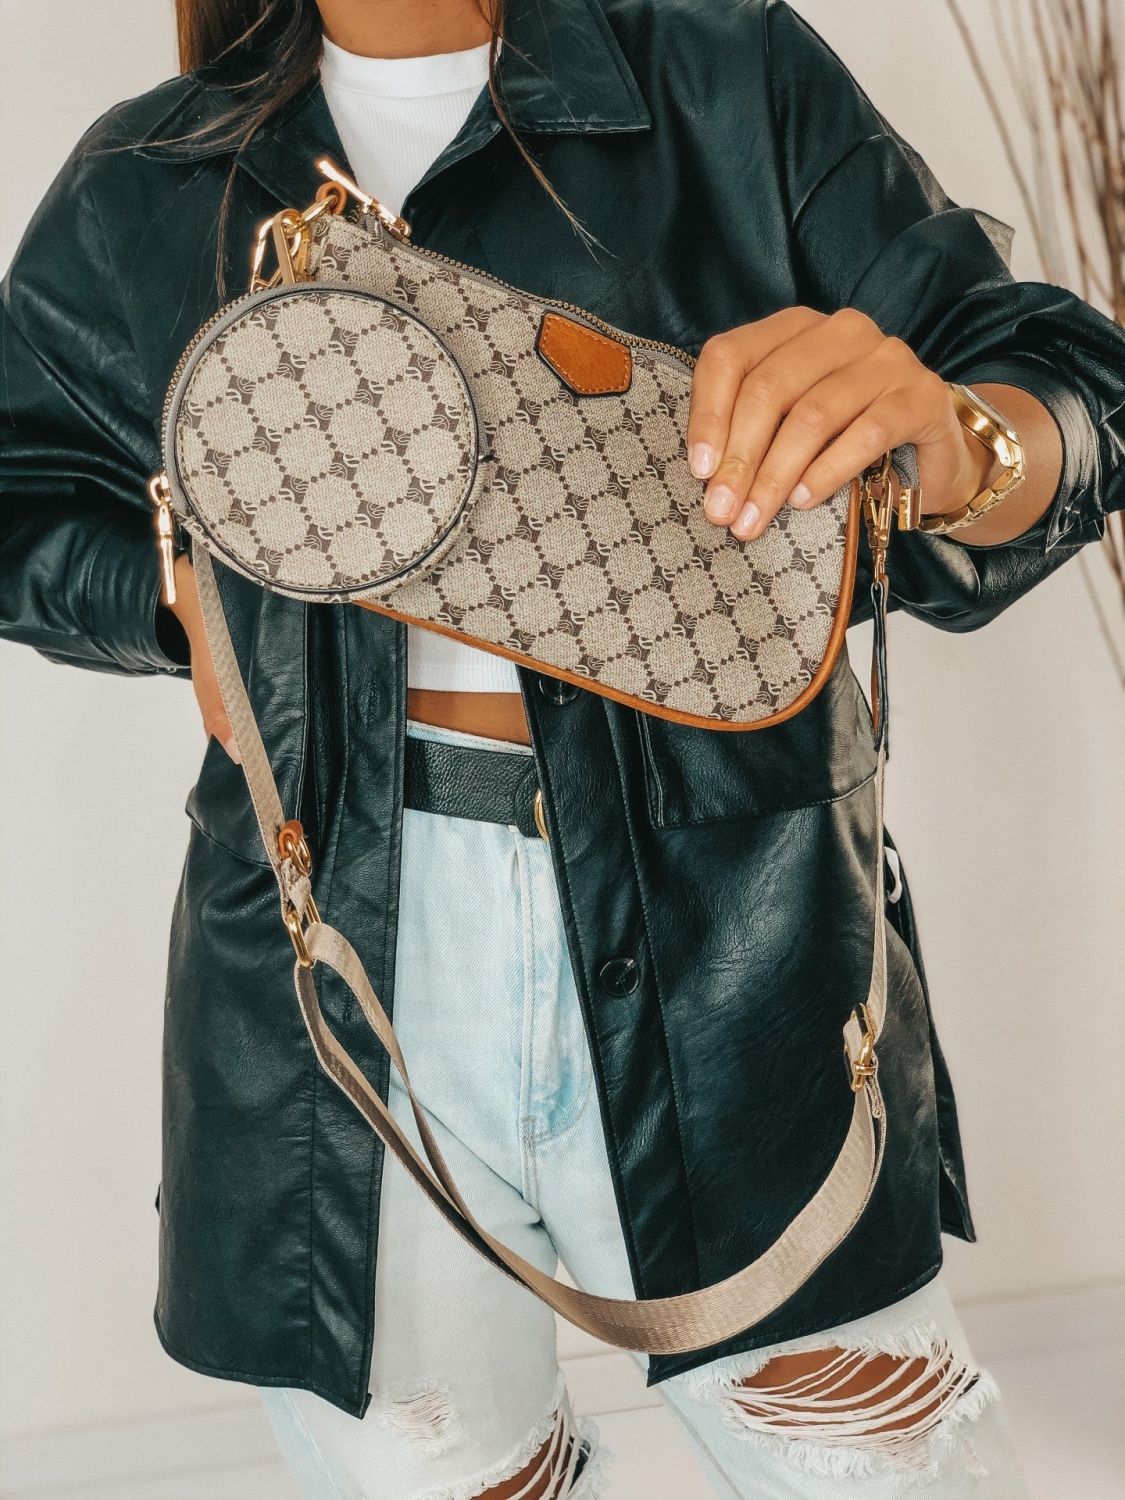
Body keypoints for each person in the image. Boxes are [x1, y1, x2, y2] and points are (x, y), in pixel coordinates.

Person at [2, 0, 1122, 1495]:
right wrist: (173, 593)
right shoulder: (154, 174)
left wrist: (967, 443)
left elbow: (1069, 382)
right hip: (325, 964)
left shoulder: (724, 75)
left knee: (886, 1469)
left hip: (732, 943)